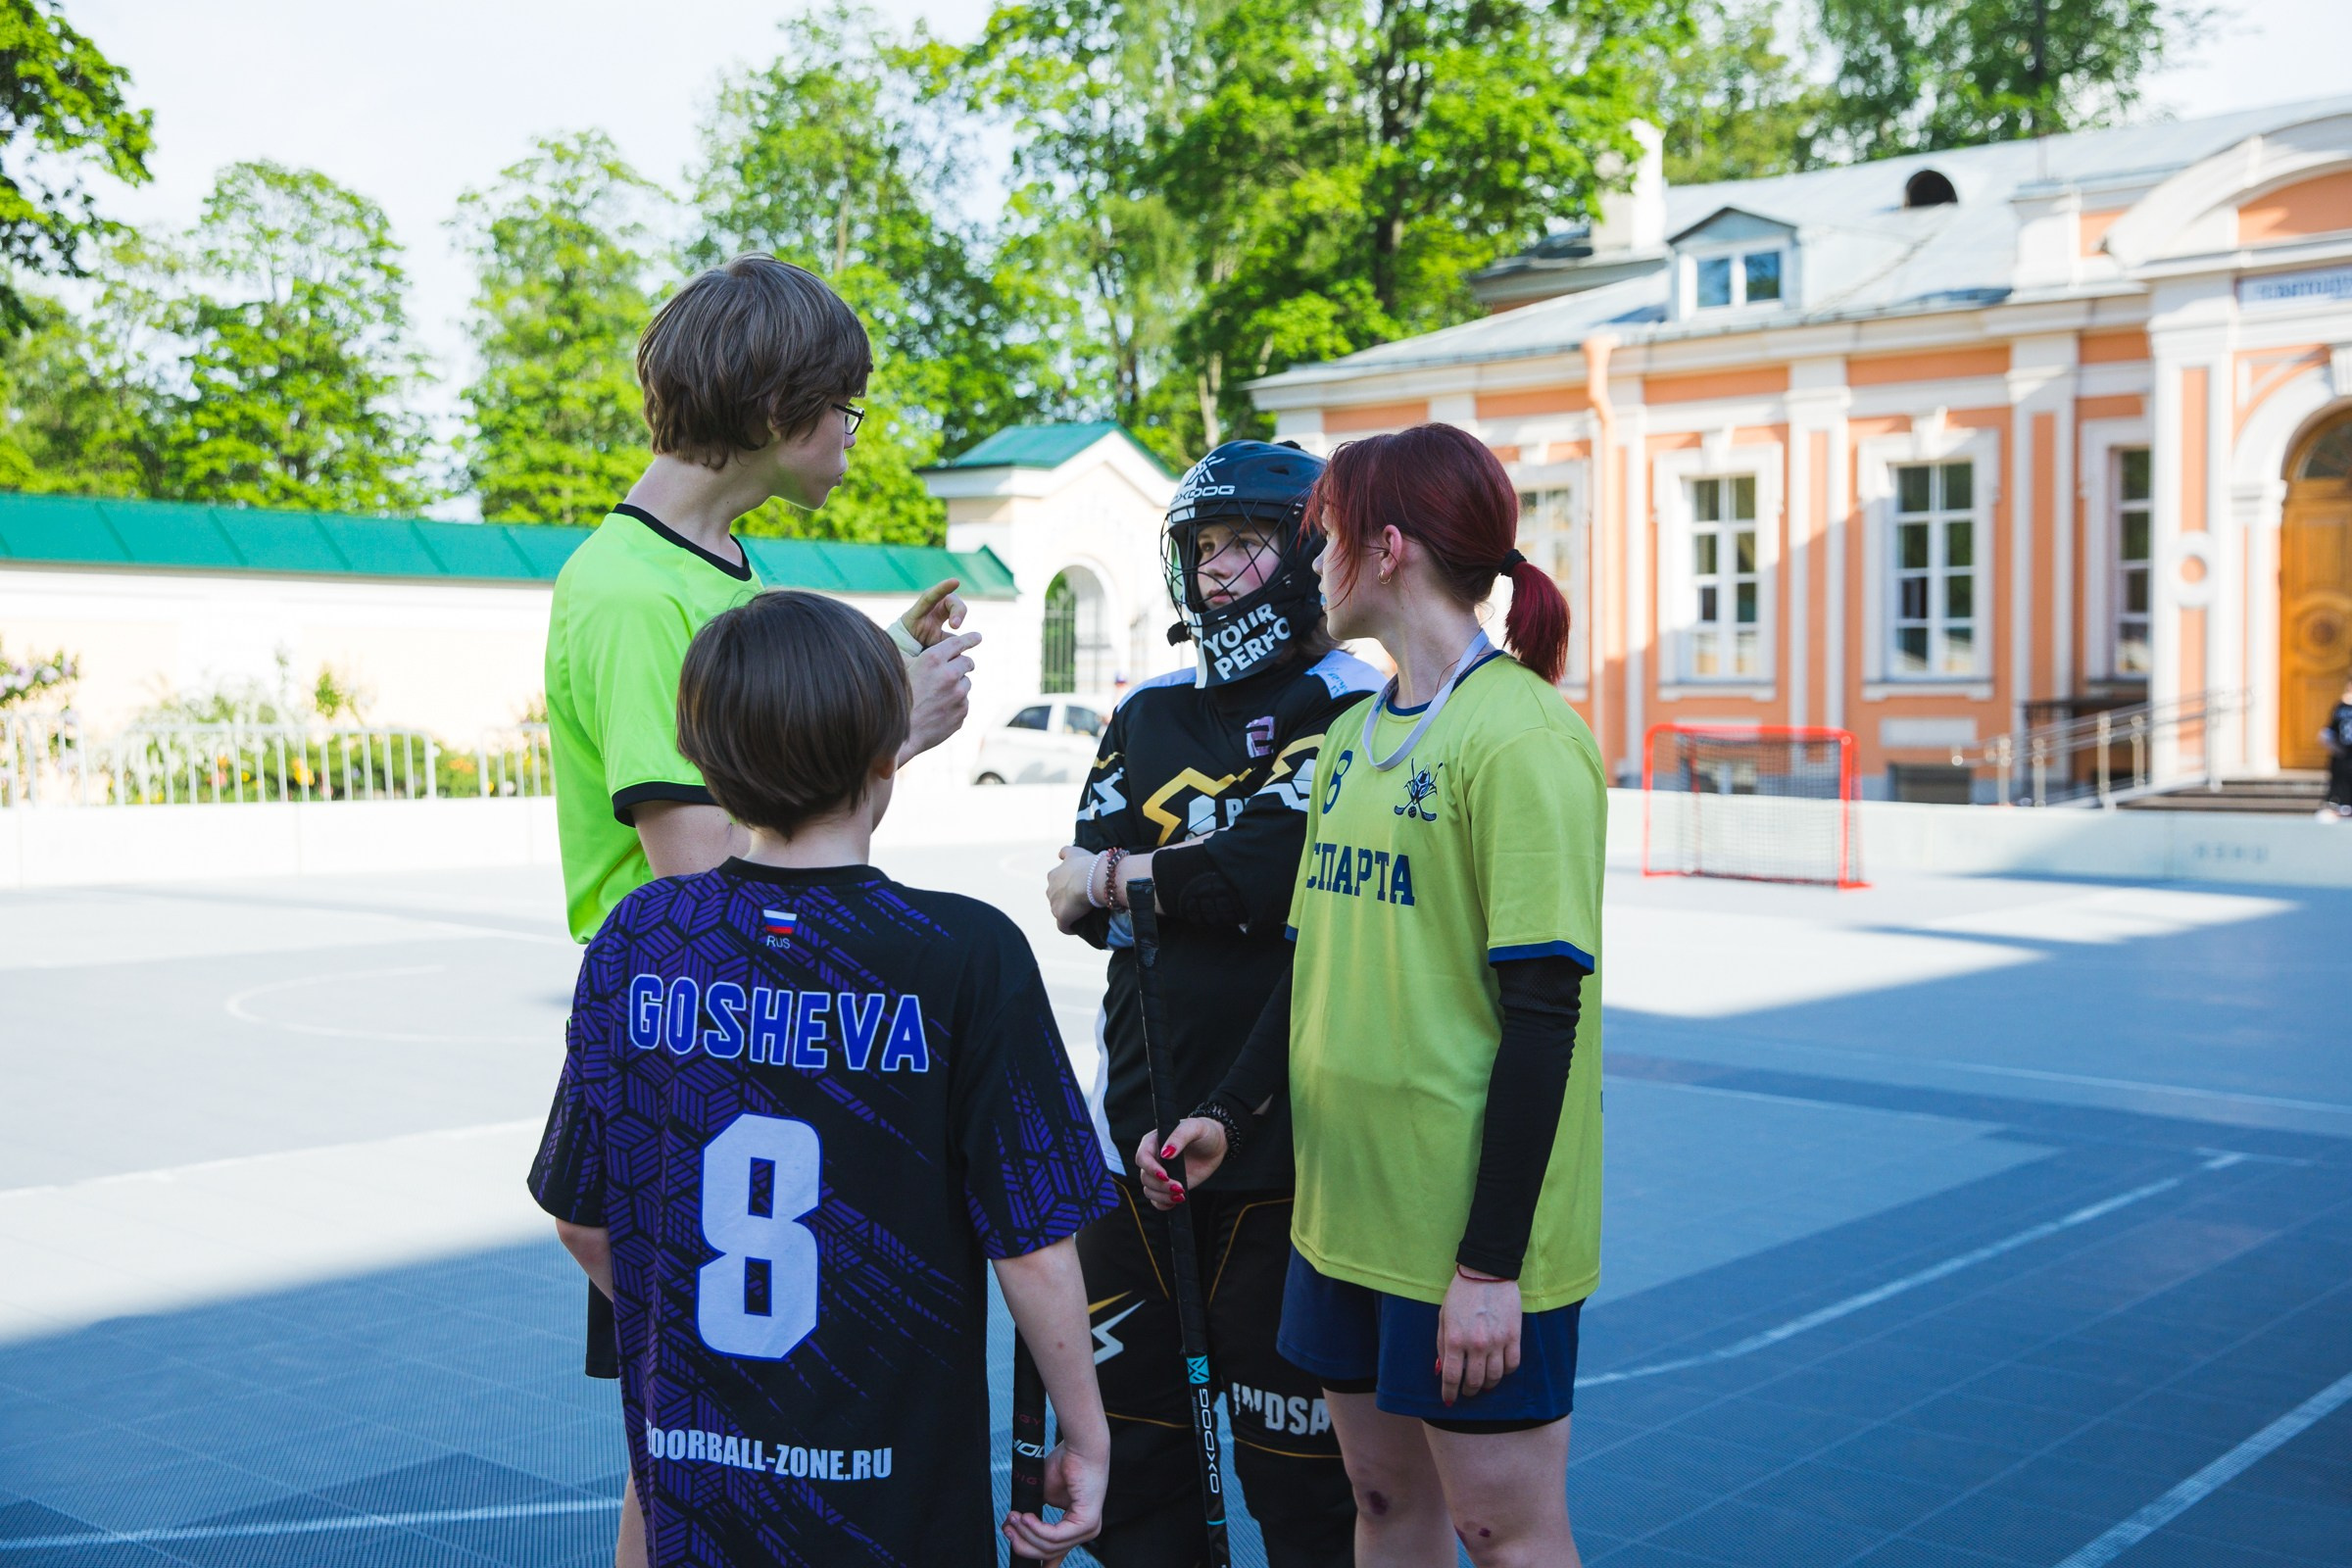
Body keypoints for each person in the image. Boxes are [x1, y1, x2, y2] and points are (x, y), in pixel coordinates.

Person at [528, 590, 1117, 1566]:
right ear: (891, 747)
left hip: (699, 1475)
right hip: (889, 1490)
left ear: (705, 759)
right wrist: (1086, 1429)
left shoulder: (641, 937)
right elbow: (1036, 1247)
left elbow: (583, 1217)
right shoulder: (961, 952)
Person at [541, 253, 978, 1565]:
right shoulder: (633, 595)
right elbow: (701, 877)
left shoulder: (720, 571)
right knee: (687, 1438)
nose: (854, 428)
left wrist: (866, 688)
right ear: (782, 405)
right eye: (848, 401)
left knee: (703, 1430)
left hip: (751, 1045)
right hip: (695, 1058)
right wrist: (888, 724)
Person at [1145, 424, 1603, 1567]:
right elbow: (1316, 961)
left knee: (1501, 1527)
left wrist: (1491, 1268)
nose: (1313, 562)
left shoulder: (1526, 738)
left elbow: (1547, 1022)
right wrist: (1230, 1115)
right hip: (1342, 1215)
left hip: (1469, 1239)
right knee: (1386, 1507)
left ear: (1386, 548)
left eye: (1327, 537)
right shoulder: (1350, 735)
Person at [1043, 440, 1381, 1567]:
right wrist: (1151, 879)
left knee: (1308, 1499)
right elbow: (1068, 891)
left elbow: (1280, 875)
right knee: (1135, 1477)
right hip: (1133, 1147)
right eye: (1206, 547)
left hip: (1287, 1170)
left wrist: (1142, 876)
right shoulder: (1145, 712)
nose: (1223, 571)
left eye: (1249, 544)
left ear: (1307, 556)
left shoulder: (1349, 704)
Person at [2318, 674, 2352, 821]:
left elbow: (2326, 735)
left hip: (2342, 755)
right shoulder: (2341, 707)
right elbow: (2327, 734)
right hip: (2343, 756)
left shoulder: (2340, 706)